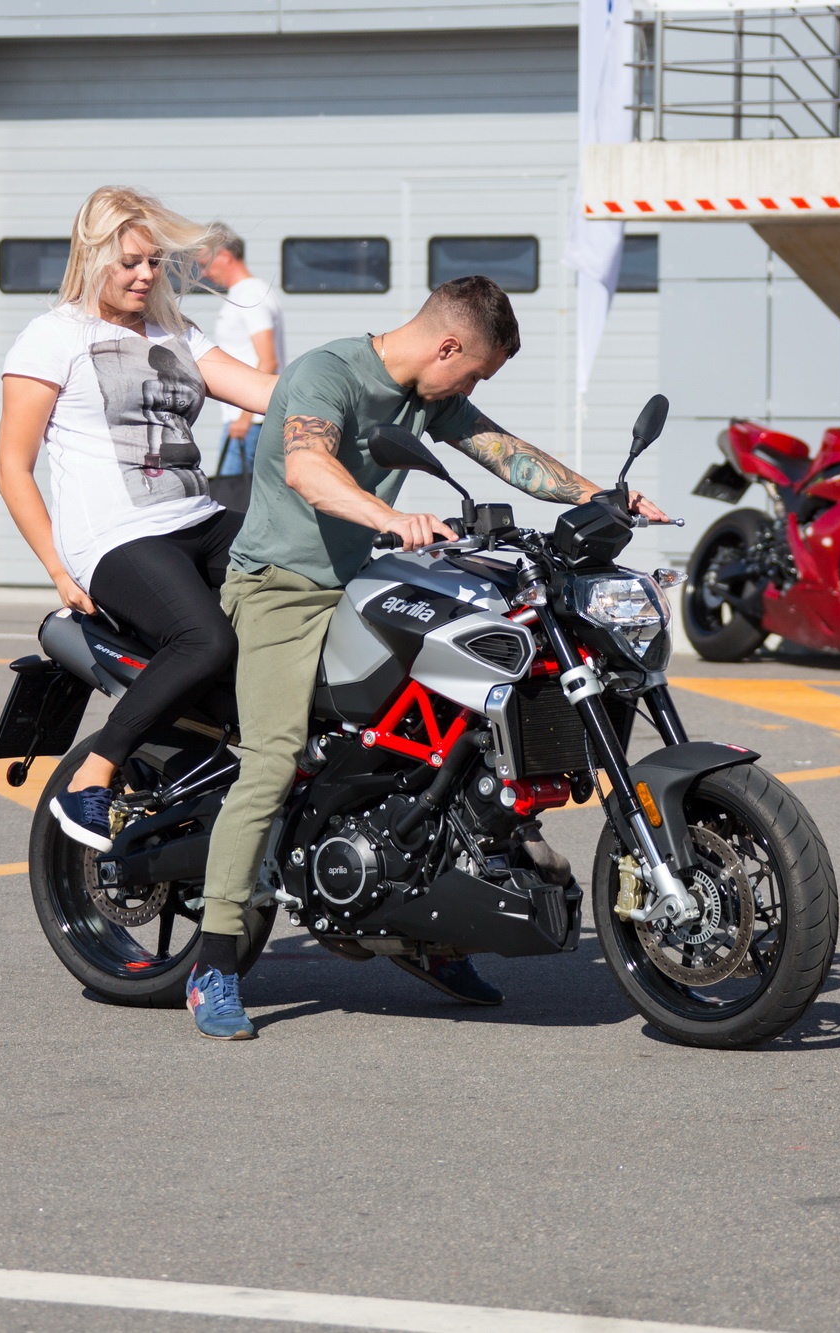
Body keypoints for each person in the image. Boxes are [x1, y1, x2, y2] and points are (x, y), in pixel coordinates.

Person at [183, 275, 669, 1041]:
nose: (472, 389)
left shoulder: (427, 395)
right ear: (447, 347)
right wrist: (388, 514)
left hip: (362, 579)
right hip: (280, 588)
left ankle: (423, 930)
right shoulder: (327, 375)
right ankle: (213, 962)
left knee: (450, 738)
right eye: (474, 373)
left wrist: (599, 496)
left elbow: (502, 451)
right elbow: (309, 468)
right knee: (273, 760)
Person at [0, 187, 276, 852]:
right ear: (93, 259)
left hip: (198, 516)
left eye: (154, 262)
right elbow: (12, 465)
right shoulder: (54, 337)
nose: (146, 275)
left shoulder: (176, 332)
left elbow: (268, 392)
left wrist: (370, 379)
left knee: (310, 573)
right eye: (129, 263)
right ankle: (93, 774)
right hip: (116, 536)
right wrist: (57, 568)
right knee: (205, 640)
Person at [201, 226, 284, 477]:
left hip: (251, 420)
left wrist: (244, 419)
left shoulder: (249, 294)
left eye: (205, 264)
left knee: (232, 491)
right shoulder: (247, 292)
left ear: (225, 256)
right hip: (249, 418)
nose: (204, 273)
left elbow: (268, 360)